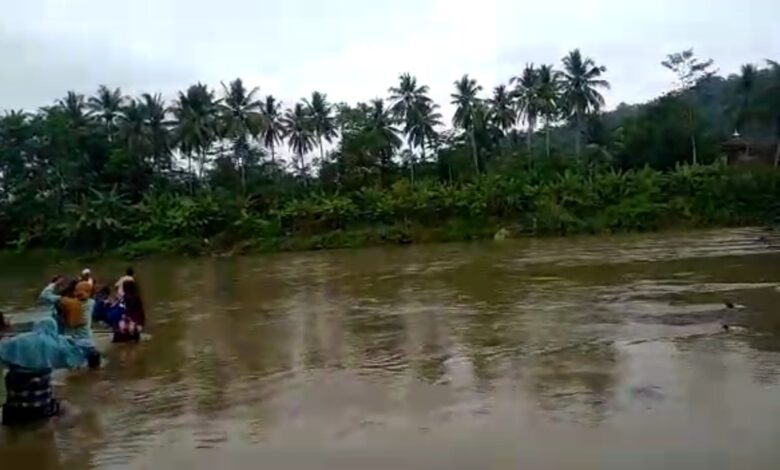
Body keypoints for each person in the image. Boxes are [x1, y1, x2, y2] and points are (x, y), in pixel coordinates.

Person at [0, 317, 87, 426]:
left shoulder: (15, 343)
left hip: (13, 410)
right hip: (41, 409)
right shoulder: (56, 344)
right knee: (70, 410)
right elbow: (77, 358)